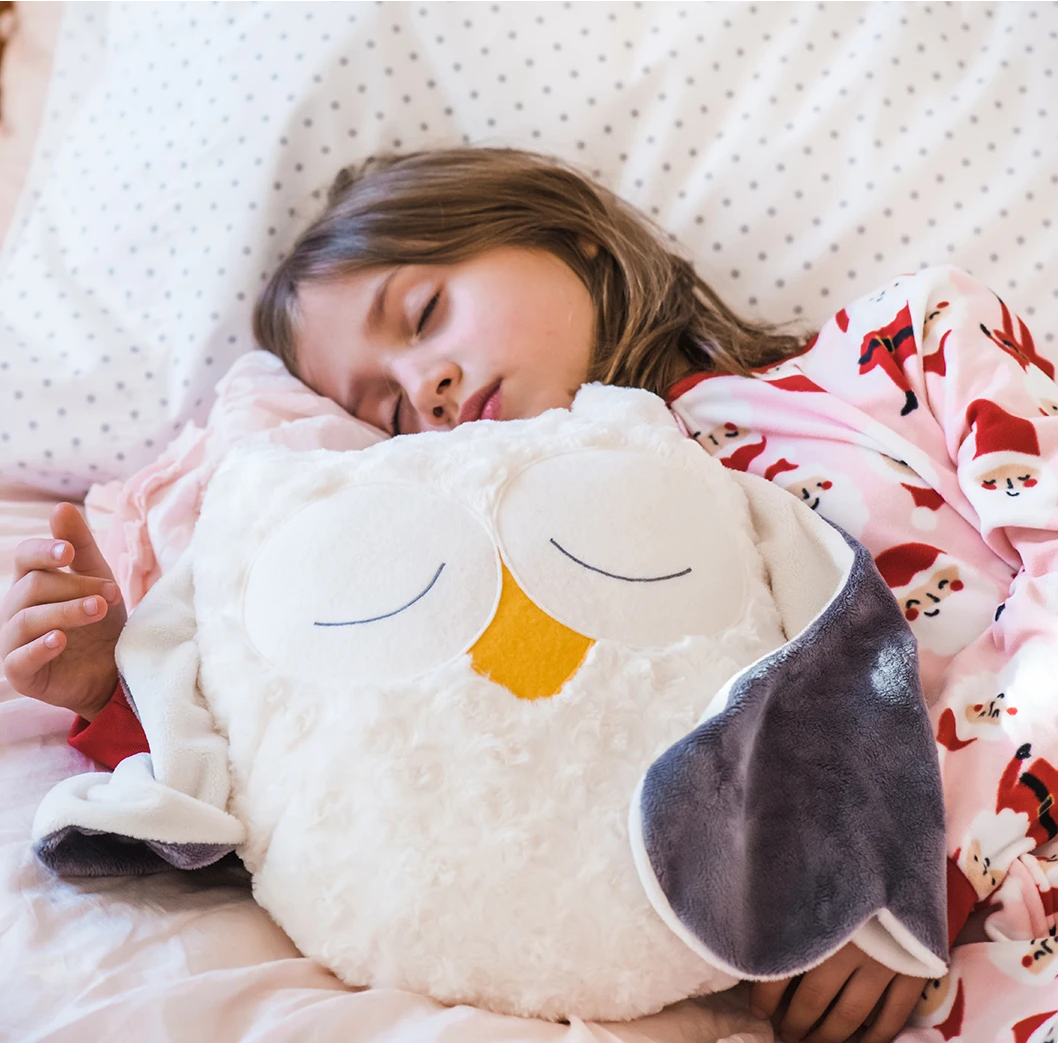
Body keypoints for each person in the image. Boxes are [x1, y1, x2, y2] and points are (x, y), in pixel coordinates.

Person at [3, 147, 1058, 1043]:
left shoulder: (909, 343)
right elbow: (349, 778)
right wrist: (116, 689)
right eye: (384, 408)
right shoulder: (512, 564)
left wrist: (929, 856)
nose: (424, 388)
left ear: (566, 236)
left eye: (423, 312)